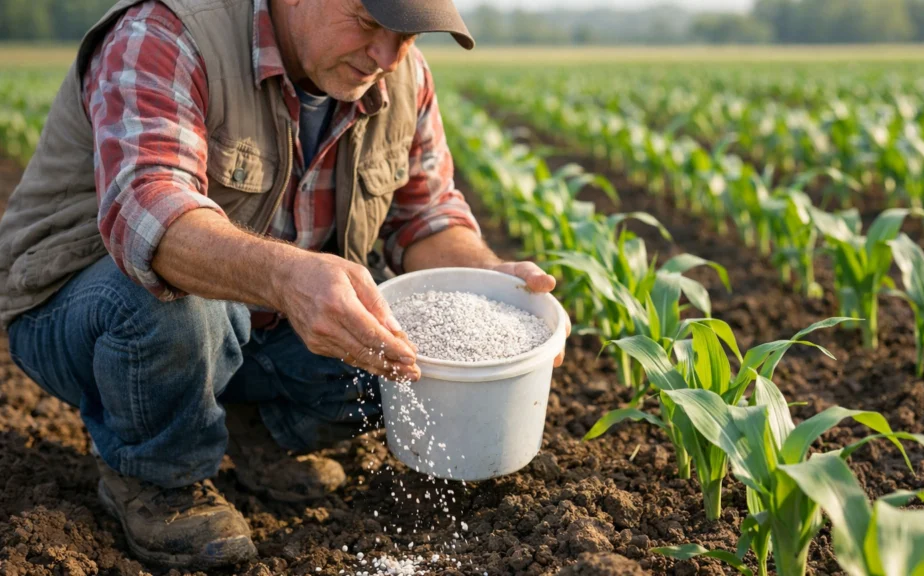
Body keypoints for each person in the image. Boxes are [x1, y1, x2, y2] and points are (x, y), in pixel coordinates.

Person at [0, 0, 567, 568]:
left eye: (409, 38)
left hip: (260, 321)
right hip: (84, 304)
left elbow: (425, 216)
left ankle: (258, 431)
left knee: (403, 342)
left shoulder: (400, 75)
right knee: (171, 307)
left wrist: (487, 282)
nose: (388, 57)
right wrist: (290, 275)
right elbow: (153, 217)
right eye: (371, 25)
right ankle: (156, 477)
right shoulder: (169, 34)